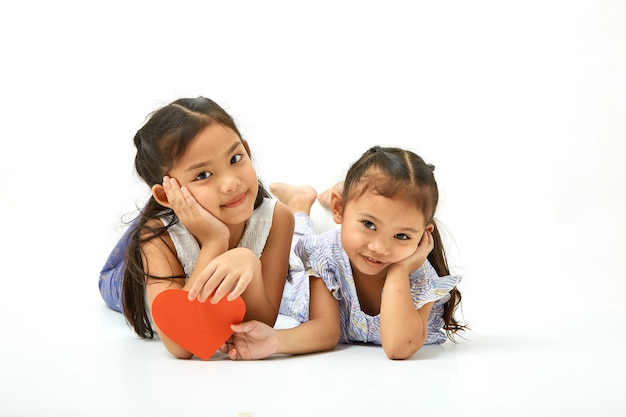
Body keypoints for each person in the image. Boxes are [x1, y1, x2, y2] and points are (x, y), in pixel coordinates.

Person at [220, 146, 467, 360]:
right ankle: (299, 205)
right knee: (293, 256)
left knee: (318, 243)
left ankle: (316, 204)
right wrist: (276, 341)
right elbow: (326, 330)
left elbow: (398, 348)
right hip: (301, 291)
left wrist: (399, 273)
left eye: (402, 236)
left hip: (350, 238)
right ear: (338, 209)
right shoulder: (326, 254)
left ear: (424, 235)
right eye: (369, 224)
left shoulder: (420, 275)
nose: (380, 248)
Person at [98, 97, 295, 359]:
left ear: (247, 150)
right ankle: (171, 207)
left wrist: (250, 264)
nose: (231, 183)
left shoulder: (278, 219)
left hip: (190, 214)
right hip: (129, 278)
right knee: (130, 256)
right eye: (203, 174)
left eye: (236, 158)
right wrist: (214, 241)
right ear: (168, 195)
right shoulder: (156, 238)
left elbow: (261, 325)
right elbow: (181, 347)